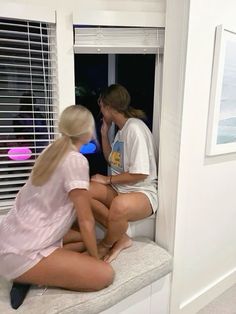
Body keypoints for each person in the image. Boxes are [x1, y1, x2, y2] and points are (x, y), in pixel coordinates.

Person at [0, 105, 114, 308]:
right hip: (21, 252)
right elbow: (86, 220)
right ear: (87, 131)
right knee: (104, 275)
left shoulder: (50, 150)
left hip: (11, 239)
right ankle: (26, 276)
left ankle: (32, 273)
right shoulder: (76, 160)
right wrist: (95, 260)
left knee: (82, 240)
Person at [90, 84, 158, 263]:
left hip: (143, 193)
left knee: (119, 205)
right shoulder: (122, 131)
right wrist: (104, 134)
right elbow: (111, 160)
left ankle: (106, 244)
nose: (101, 112)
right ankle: (122, 237)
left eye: (101, 107)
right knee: (84, 191)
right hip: (121, 189)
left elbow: (141, 173)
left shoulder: (134, 128)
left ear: (109, 107)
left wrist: (107, 179)